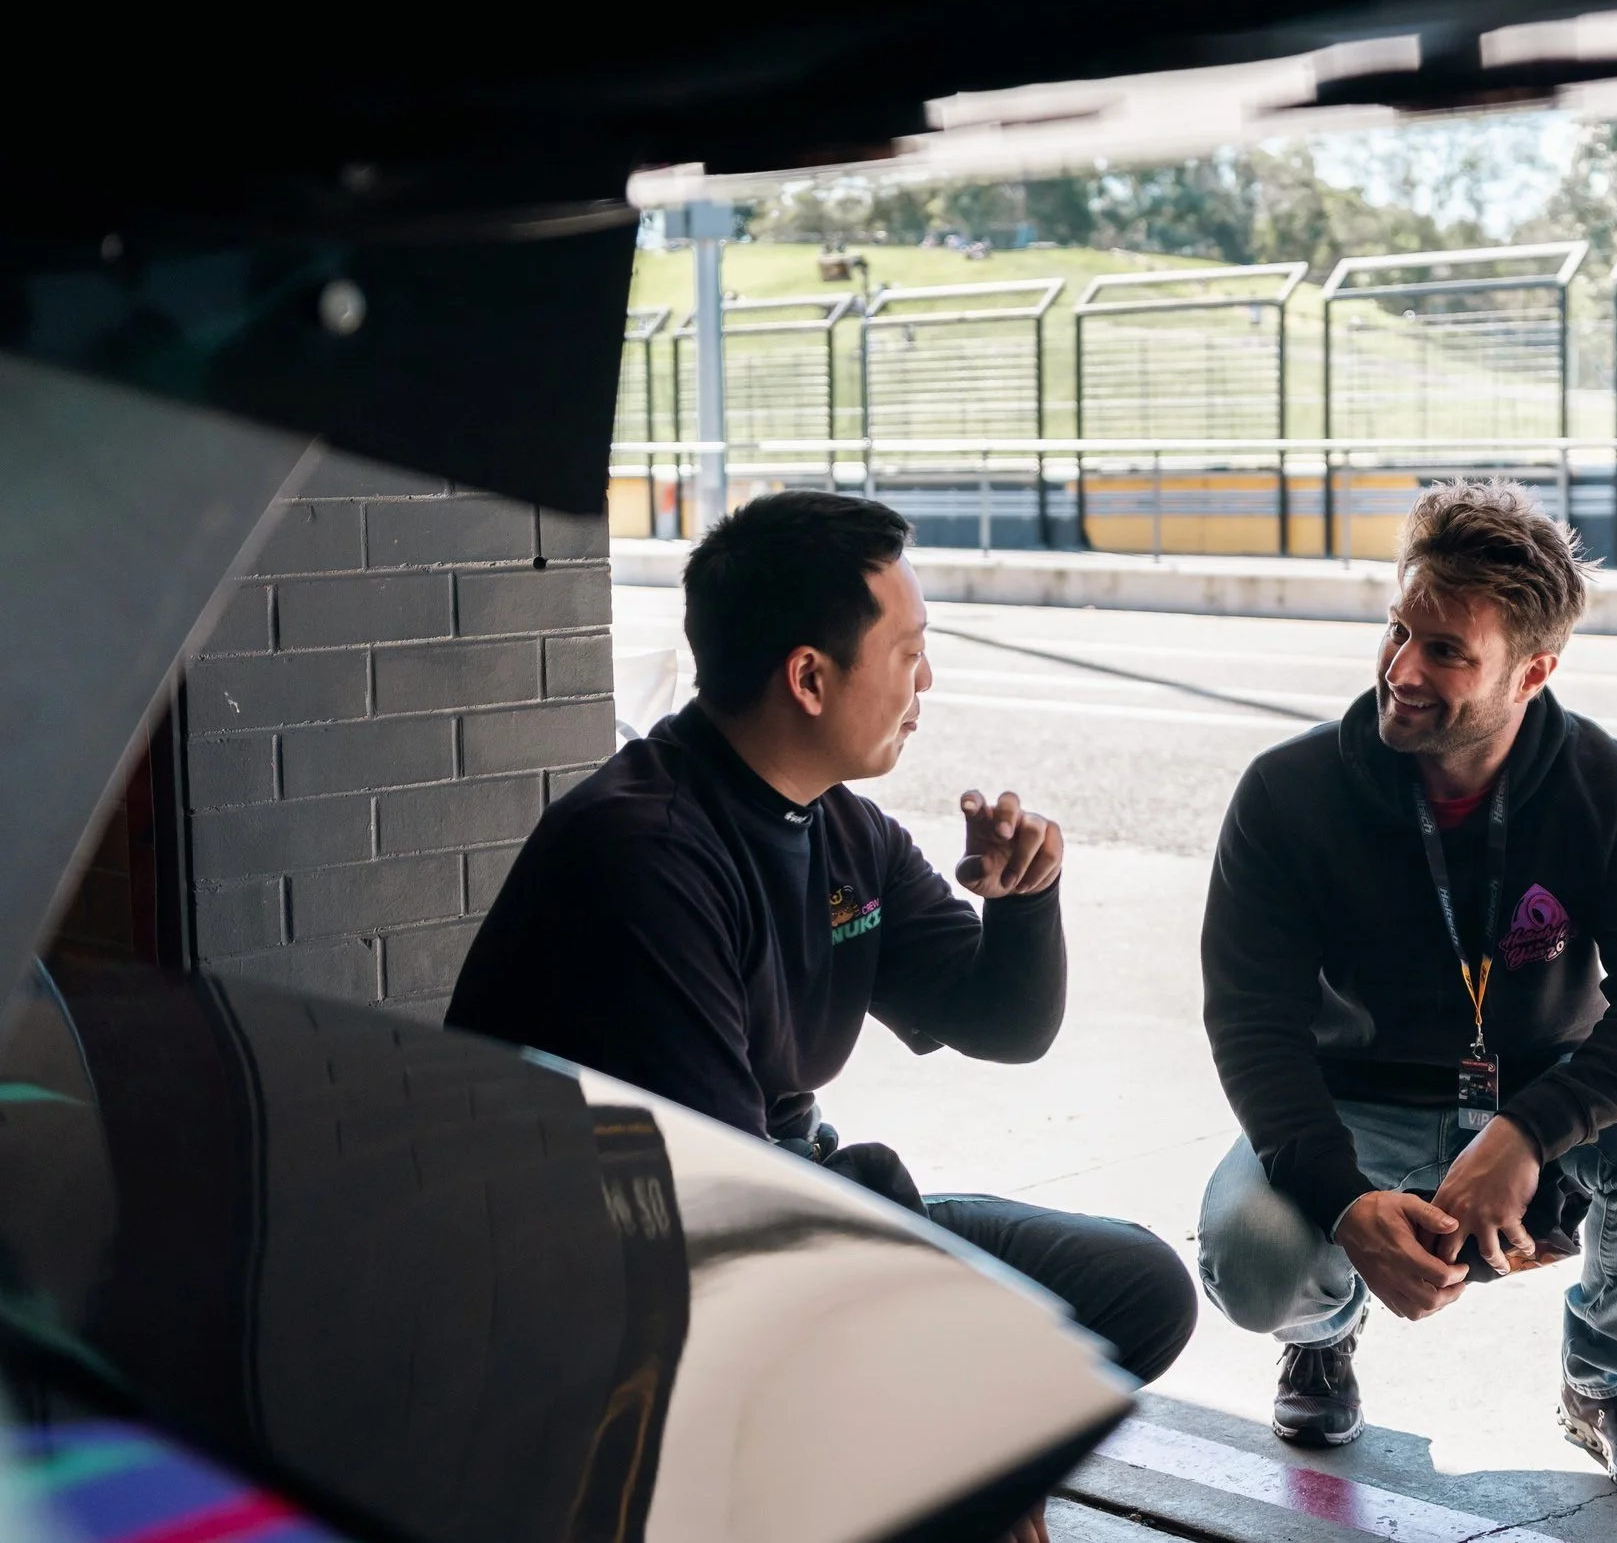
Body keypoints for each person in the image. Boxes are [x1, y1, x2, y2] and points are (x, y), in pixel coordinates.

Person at [447, 490, 1197, 1398]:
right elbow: (727, 1221)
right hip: (629, 1293)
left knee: (1139, 1290)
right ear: (808, 678)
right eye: (910, 654)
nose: (927, 684)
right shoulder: (641, 857)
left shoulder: (843, 829)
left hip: (793, 1219)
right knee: (922, 1371)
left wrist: (1024, 900)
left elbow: (1003, 1022)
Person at [1193, 479, 1617, 1499]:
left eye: (1446, 651)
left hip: (1543, 1104)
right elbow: (1251, 1023)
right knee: (1252, 1252)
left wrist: (1530, 1130)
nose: (1401, 670)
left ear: (1531, 670)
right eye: (1399, 629)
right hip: (1357, 1103)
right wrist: (1345, 1200)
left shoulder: (1609, 786)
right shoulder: (1287, 792)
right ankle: (1321, 1332)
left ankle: (1608, 1378)